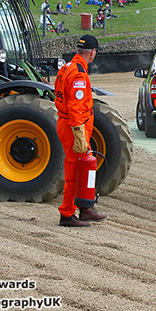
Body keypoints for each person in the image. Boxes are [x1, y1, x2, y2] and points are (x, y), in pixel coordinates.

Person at [54, 35, 107, 227]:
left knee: (84, 168)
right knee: (75, 172)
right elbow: (75, 107)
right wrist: (78, 134)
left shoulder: (67, 67)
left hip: (68, 124)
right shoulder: (78, 75)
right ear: (93, 53)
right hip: (74, 127)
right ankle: (67, 214)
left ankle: (85, 208)